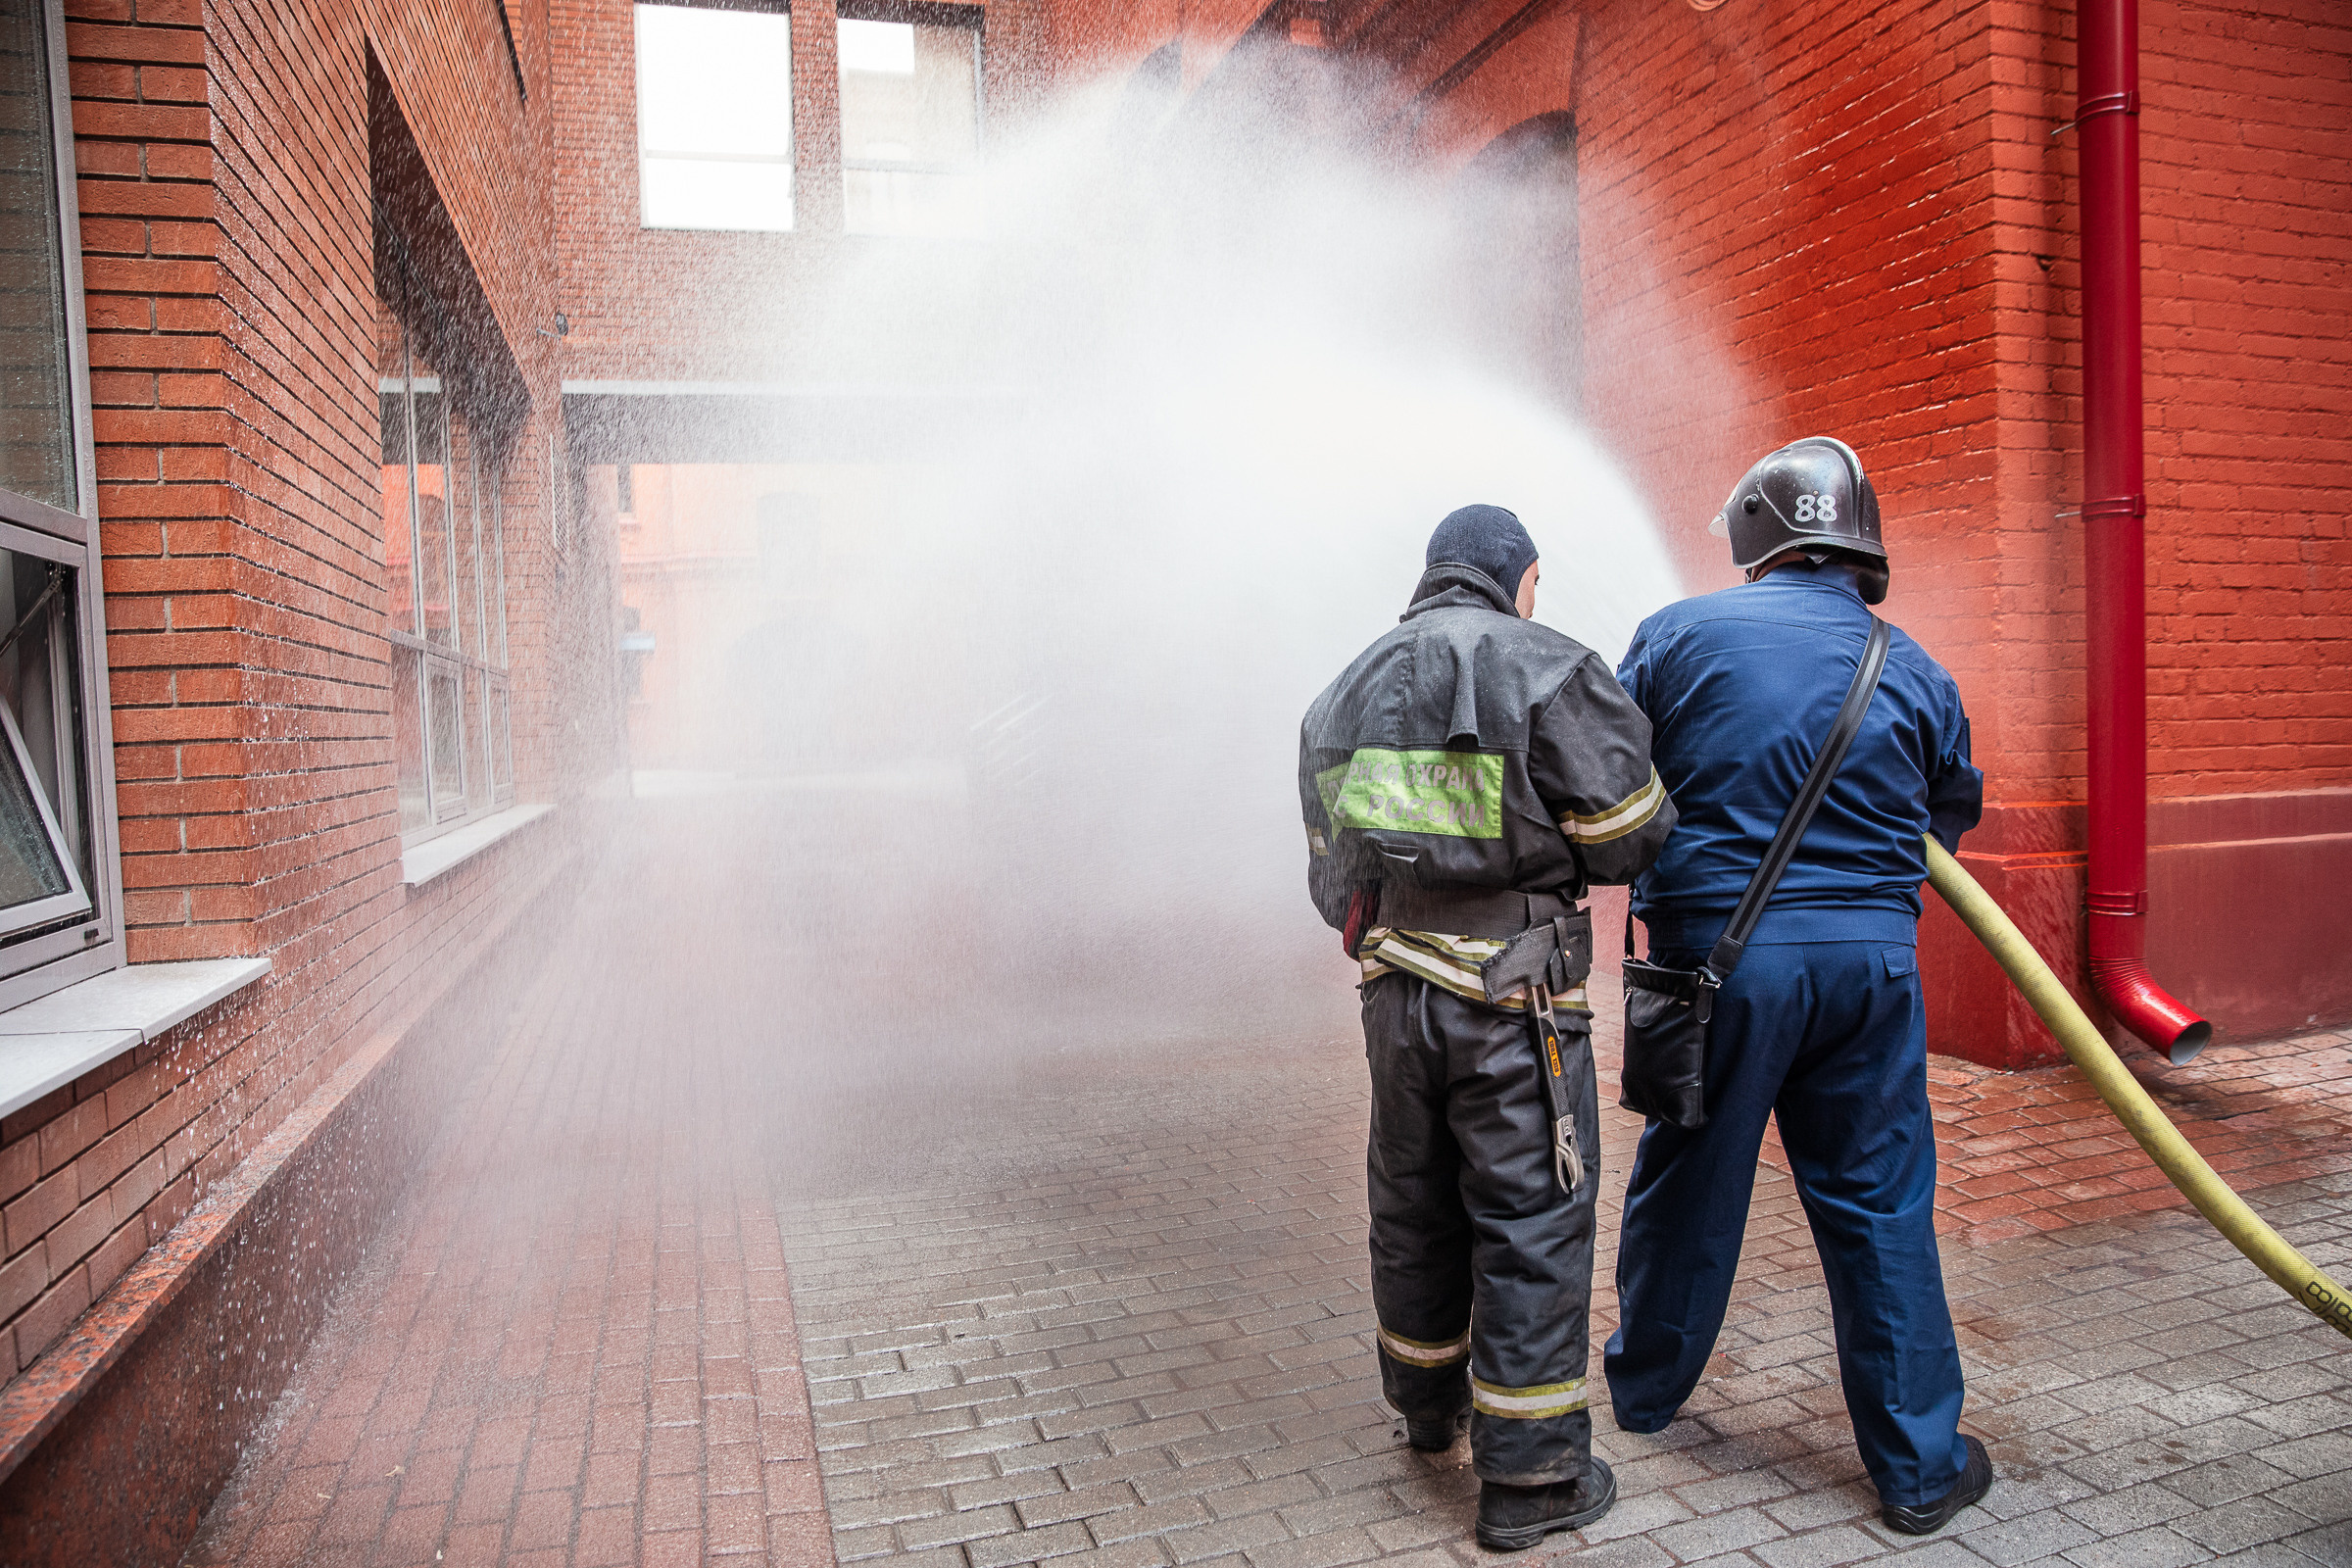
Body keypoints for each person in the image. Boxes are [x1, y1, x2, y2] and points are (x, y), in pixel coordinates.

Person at [1604, 436, 1992, 1534]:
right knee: (1879, 1203)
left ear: (1755, 539)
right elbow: (1947, 815)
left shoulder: (1677, 637)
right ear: (1855, 542)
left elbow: (1613, 778)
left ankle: (1645, 1391)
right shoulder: (1910, 664)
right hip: (1871, 971)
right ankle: (1920, 1469)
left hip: (1718, 968)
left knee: (1691, 1176)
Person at [1298, 505, 1675, 1551]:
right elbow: (1628, 833)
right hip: (1515, 1011)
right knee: (1530, 1219)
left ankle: (1428, 1410)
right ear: (1519, 577)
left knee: (1414, 1204)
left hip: (1396, 1007)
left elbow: (1334, 879)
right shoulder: (1551, 669)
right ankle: (1533, 1478)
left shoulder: (1341, 691)